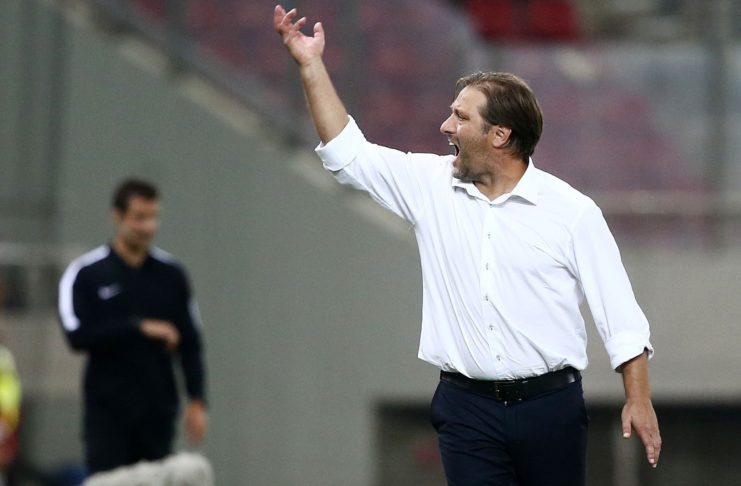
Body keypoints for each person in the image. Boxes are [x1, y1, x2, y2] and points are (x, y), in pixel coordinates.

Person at [274, 5, 661, 486]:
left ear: (500, 135)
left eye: (460, 117)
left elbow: (620, 317)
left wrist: (638, 398)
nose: (446, 126)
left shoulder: (573, 213)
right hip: (466, 410)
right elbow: (347, 155)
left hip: (550, 408)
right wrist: (311, 65)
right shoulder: (430, 185)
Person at [58, 179, 207, 475]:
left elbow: (190, 342)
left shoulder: (171, 275)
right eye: (139, 217)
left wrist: (197, 400)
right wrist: (137, 328)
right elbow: (77, 335)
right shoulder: (87, 273)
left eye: (153, 217)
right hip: (108, 415)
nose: (148, 226)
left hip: (157, 415)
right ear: (117, 216)